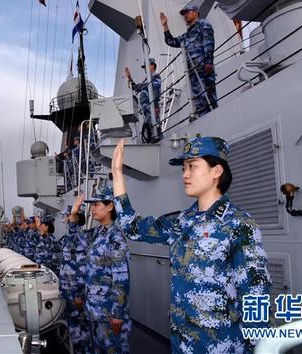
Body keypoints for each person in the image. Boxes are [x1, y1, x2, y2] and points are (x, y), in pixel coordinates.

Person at [112, 137, 271, 353]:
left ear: (216, 171)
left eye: (192, 167)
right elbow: (132, 227)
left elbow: (255, 294)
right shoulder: (181, 222)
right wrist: (117, 174)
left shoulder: (239, 225)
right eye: (184, 168)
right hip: (181, 344)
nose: (185, 174)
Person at [78, 187, 131, 354]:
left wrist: (118, 314)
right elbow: (74, 239)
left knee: (113, 349)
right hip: (94, 309)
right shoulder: (98, 233)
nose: (92, 209)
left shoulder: (115, 237)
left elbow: (121, 278)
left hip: (108, 312)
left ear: (110, 207)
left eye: (96, 204)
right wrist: (74, 213)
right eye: (91, 205)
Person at [160, 5, 217, 116]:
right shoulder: (186, 35)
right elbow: (171, 42)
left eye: (187, 12)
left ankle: (213, 120)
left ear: (195, 12)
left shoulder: (204, 25)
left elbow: (208, 43)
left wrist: (209, 63)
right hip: (192, 73)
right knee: (198, 103)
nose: (185, 15)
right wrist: (165, 26)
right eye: (184, 14)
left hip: (203, 70)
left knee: (209, 100)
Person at [58, 205, 91, 354]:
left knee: (81, 331)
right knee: (74, 327)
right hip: (68, 290)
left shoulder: (80, 238)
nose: (66, 219)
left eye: (68, 216)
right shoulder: (71, 238)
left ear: (76, 219)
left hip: (75, 292)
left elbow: (82, 268)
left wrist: (79, 294)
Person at [124, 57, 163, 142]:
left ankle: (157, 137)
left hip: (152, 104)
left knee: (155, 122)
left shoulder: (156, 76)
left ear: (152, 66)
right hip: (146, 108)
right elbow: (135, 88)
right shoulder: (146, 80)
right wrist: (129, 78)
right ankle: (152, 137)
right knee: (149, 123)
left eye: (146, 66)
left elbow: (154, 86)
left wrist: (141, 86)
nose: (145, 68)